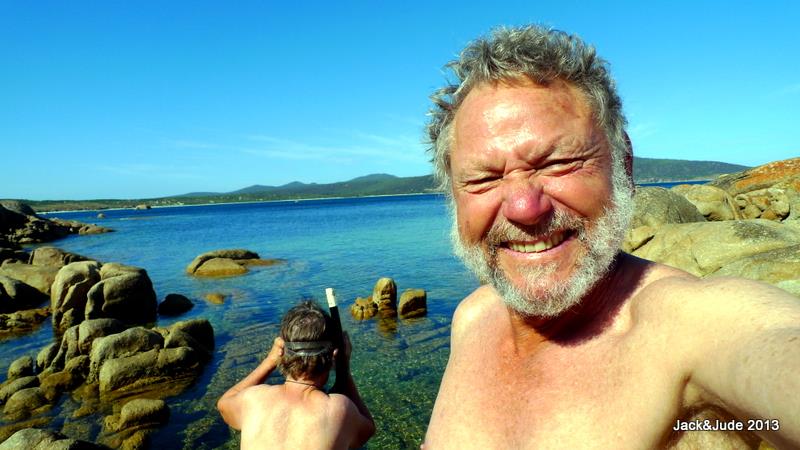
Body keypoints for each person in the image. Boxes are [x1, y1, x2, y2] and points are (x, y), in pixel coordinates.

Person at [423, 25, 800, 449]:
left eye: (559, 162)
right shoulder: (470, 320)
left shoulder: (687, 328)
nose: (524, 208)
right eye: (484, 178)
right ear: (453, 196)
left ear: (623, 167)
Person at [217, 300, 375, 449]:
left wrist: (270, 360)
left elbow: (224, 404)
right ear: (334, 355)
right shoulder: (339, 409)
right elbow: (367, 430)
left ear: (282, 351)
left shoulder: (253, 399)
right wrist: (344, 368)